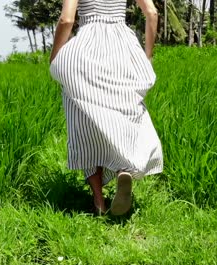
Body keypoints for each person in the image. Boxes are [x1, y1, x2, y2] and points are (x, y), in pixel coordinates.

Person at [50, 0, 164, 216]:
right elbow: (152, 12)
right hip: (123, 47)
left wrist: (55, 56)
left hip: (87, 48)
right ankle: (124, 168)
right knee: (122, 113)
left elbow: (66, 20)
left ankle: (99, 201)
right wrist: (147, 56)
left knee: (85, 118)